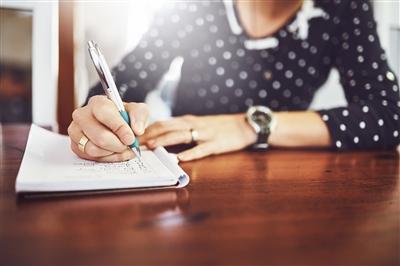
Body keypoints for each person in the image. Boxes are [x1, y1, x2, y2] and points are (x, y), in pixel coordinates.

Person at [68, 0, 400, 162]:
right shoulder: (195, 7)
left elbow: (387, 115)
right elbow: (118, 86)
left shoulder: (343, 9)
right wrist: (101, 117)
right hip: (189, 169)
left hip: (281, 180)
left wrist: (248, 126)